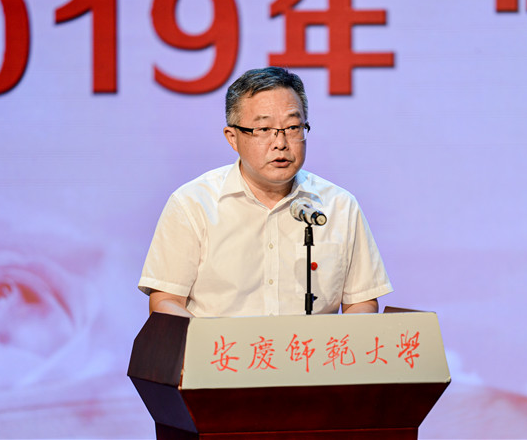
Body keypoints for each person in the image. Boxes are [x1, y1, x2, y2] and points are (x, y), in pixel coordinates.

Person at [138, 67, 392, 318]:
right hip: (221, 346)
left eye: (293, 127)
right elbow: (166, 301)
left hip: (310, 347)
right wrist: (208, 341)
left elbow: (362, 302)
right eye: (264, 129)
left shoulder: (339, 206)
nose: (280, 143)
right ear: (232, 137)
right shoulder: (192, 204)